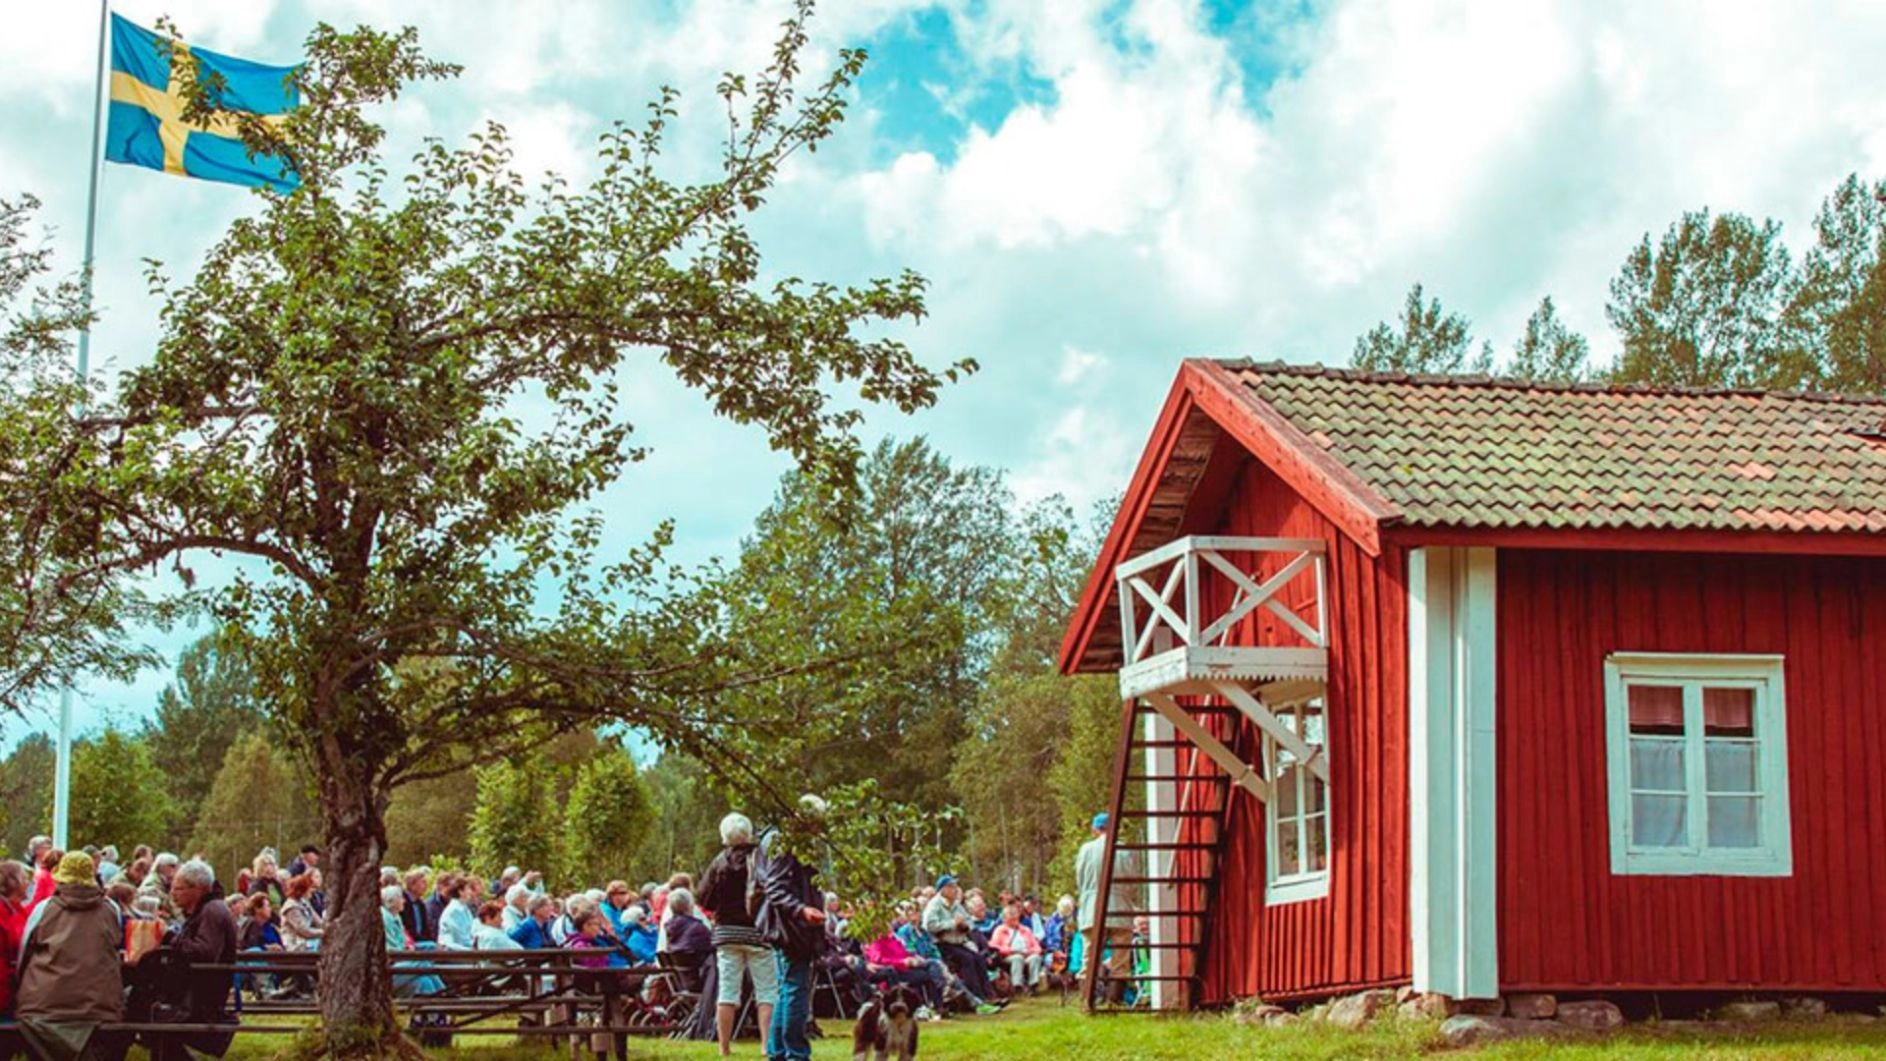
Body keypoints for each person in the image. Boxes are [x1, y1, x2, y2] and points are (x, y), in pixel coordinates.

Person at [14, 852, 125, 1059]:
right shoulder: (112, 910)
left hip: (42, 1008)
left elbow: (24, 956)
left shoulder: (43, 909)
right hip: (99, 1009)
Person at [755, 796, 830, 1061]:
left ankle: (778, 1052)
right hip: (791, 927)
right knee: (794, 990)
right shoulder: (782, 842)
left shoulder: (776, 838)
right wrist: (801, 909)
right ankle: (796, 1053)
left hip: (788, 924)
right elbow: (774, 886)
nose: (818, 829)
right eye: (816, 823)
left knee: (786, 989)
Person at [698, 811, 776, 1058]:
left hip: (726, 934)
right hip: (758, 932)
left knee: (727, 991)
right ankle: (766, 1046)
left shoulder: (719, 861)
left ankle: (724, 1048)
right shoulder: (760, 857)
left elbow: (704, 898)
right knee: (766, 991)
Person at [145, 859, 237, 1060]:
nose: (172, 893)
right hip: (193, 991)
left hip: (200, 997)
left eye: (179, 889)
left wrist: (169, 939)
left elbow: (205, 953)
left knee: (141, 1009)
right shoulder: (207, 910)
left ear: (198, 889)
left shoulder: (212, 911)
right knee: (143, 1006)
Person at [1075, 812, 1139, 1003]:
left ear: (1095, 829)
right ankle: (1114, 1000)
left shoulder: (1086, 850)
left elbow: (1080, 879)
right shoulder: (1125, 850)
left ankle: (1088, 1000)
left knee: (1090, 957)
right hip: (1120, 907)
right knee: (1120, 959)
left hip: (1092, 908)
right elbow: (1133, 881)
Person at [922, 876, 999, 1006]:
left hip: (959, 941)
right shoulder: (934, 905)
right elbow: (929, 925)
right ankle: (976, 997)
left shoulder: (957, 905)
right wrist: (953, 924)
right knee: (967, 959)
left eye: (955, 887)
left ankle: (989, 995)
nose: (955, 890)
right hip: (943, 944)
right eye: (951, 887)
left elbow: (969, 922)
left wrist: (964, 926)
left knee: (979, 958)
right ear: (943, 890)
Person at [381, 887, 446, 998]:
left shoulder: (396, 916)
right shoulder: (384, 918)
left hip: (402, 963)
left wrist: (409, 947)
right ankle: (444, 993)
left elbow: (403, 942)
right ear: (392, 901)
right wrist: (408, 950)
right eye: (401, 898)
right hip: (390, 970)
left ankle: (438, 1010)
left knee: (424, 981)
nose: (404, 901)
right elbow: (391, 948)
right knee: (424, 963)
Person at [989, 903, 1044, 994]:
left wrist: (1029, 952)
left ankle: (1033, 985)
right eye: (1011, 914)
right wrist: (1011, 951)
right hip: (1009, 956)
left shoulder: (1026, 930)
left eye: (1015, 914)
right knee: (1017, 958)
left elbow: (1037, 947)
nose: (1014, 917)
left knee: (1035, 958)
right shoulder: (1000, 930)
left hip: (1026, 954)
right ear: (1005, 918)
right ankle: (1017, 985)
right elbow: (994, 946)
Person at [0, 859, 29, 1019]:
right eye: (24, 879)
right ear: (13, 883)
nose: (28, 883)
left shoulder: (17, 909)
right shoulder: (3, 912)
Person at [662, 888, 713, 968]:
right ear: (690, 905)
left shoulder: (669, 929)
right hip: (701, 977)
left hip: (683, 978)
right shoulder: (698, 929)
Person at [278, 873, 325, 951]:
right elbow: (303, 931)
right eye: (309, 888)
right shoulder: (291, 907)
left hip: (306, 943)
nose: (312, 891)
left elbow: (318, 921)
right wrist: (323, 933)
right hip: (294, 945)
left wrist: (328, 927)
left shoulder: (305, 902)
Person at [437, 875, 482, 950]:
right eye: (468, 889)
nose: (470, 892)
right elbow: (460, 938)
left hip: (465, 947)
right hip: (455, 950)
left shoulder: (464, 907)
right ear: (460, 892)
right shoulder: (454, 910)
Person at [400, 868, 437, 944]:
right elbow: (407, 928)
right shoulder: (402, 902)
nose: (426, 886)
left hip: (422, 941)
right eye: (423, 882)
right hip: (409, 942)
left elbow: (426, 928)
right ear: (412, 885)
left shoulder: (420, 904)